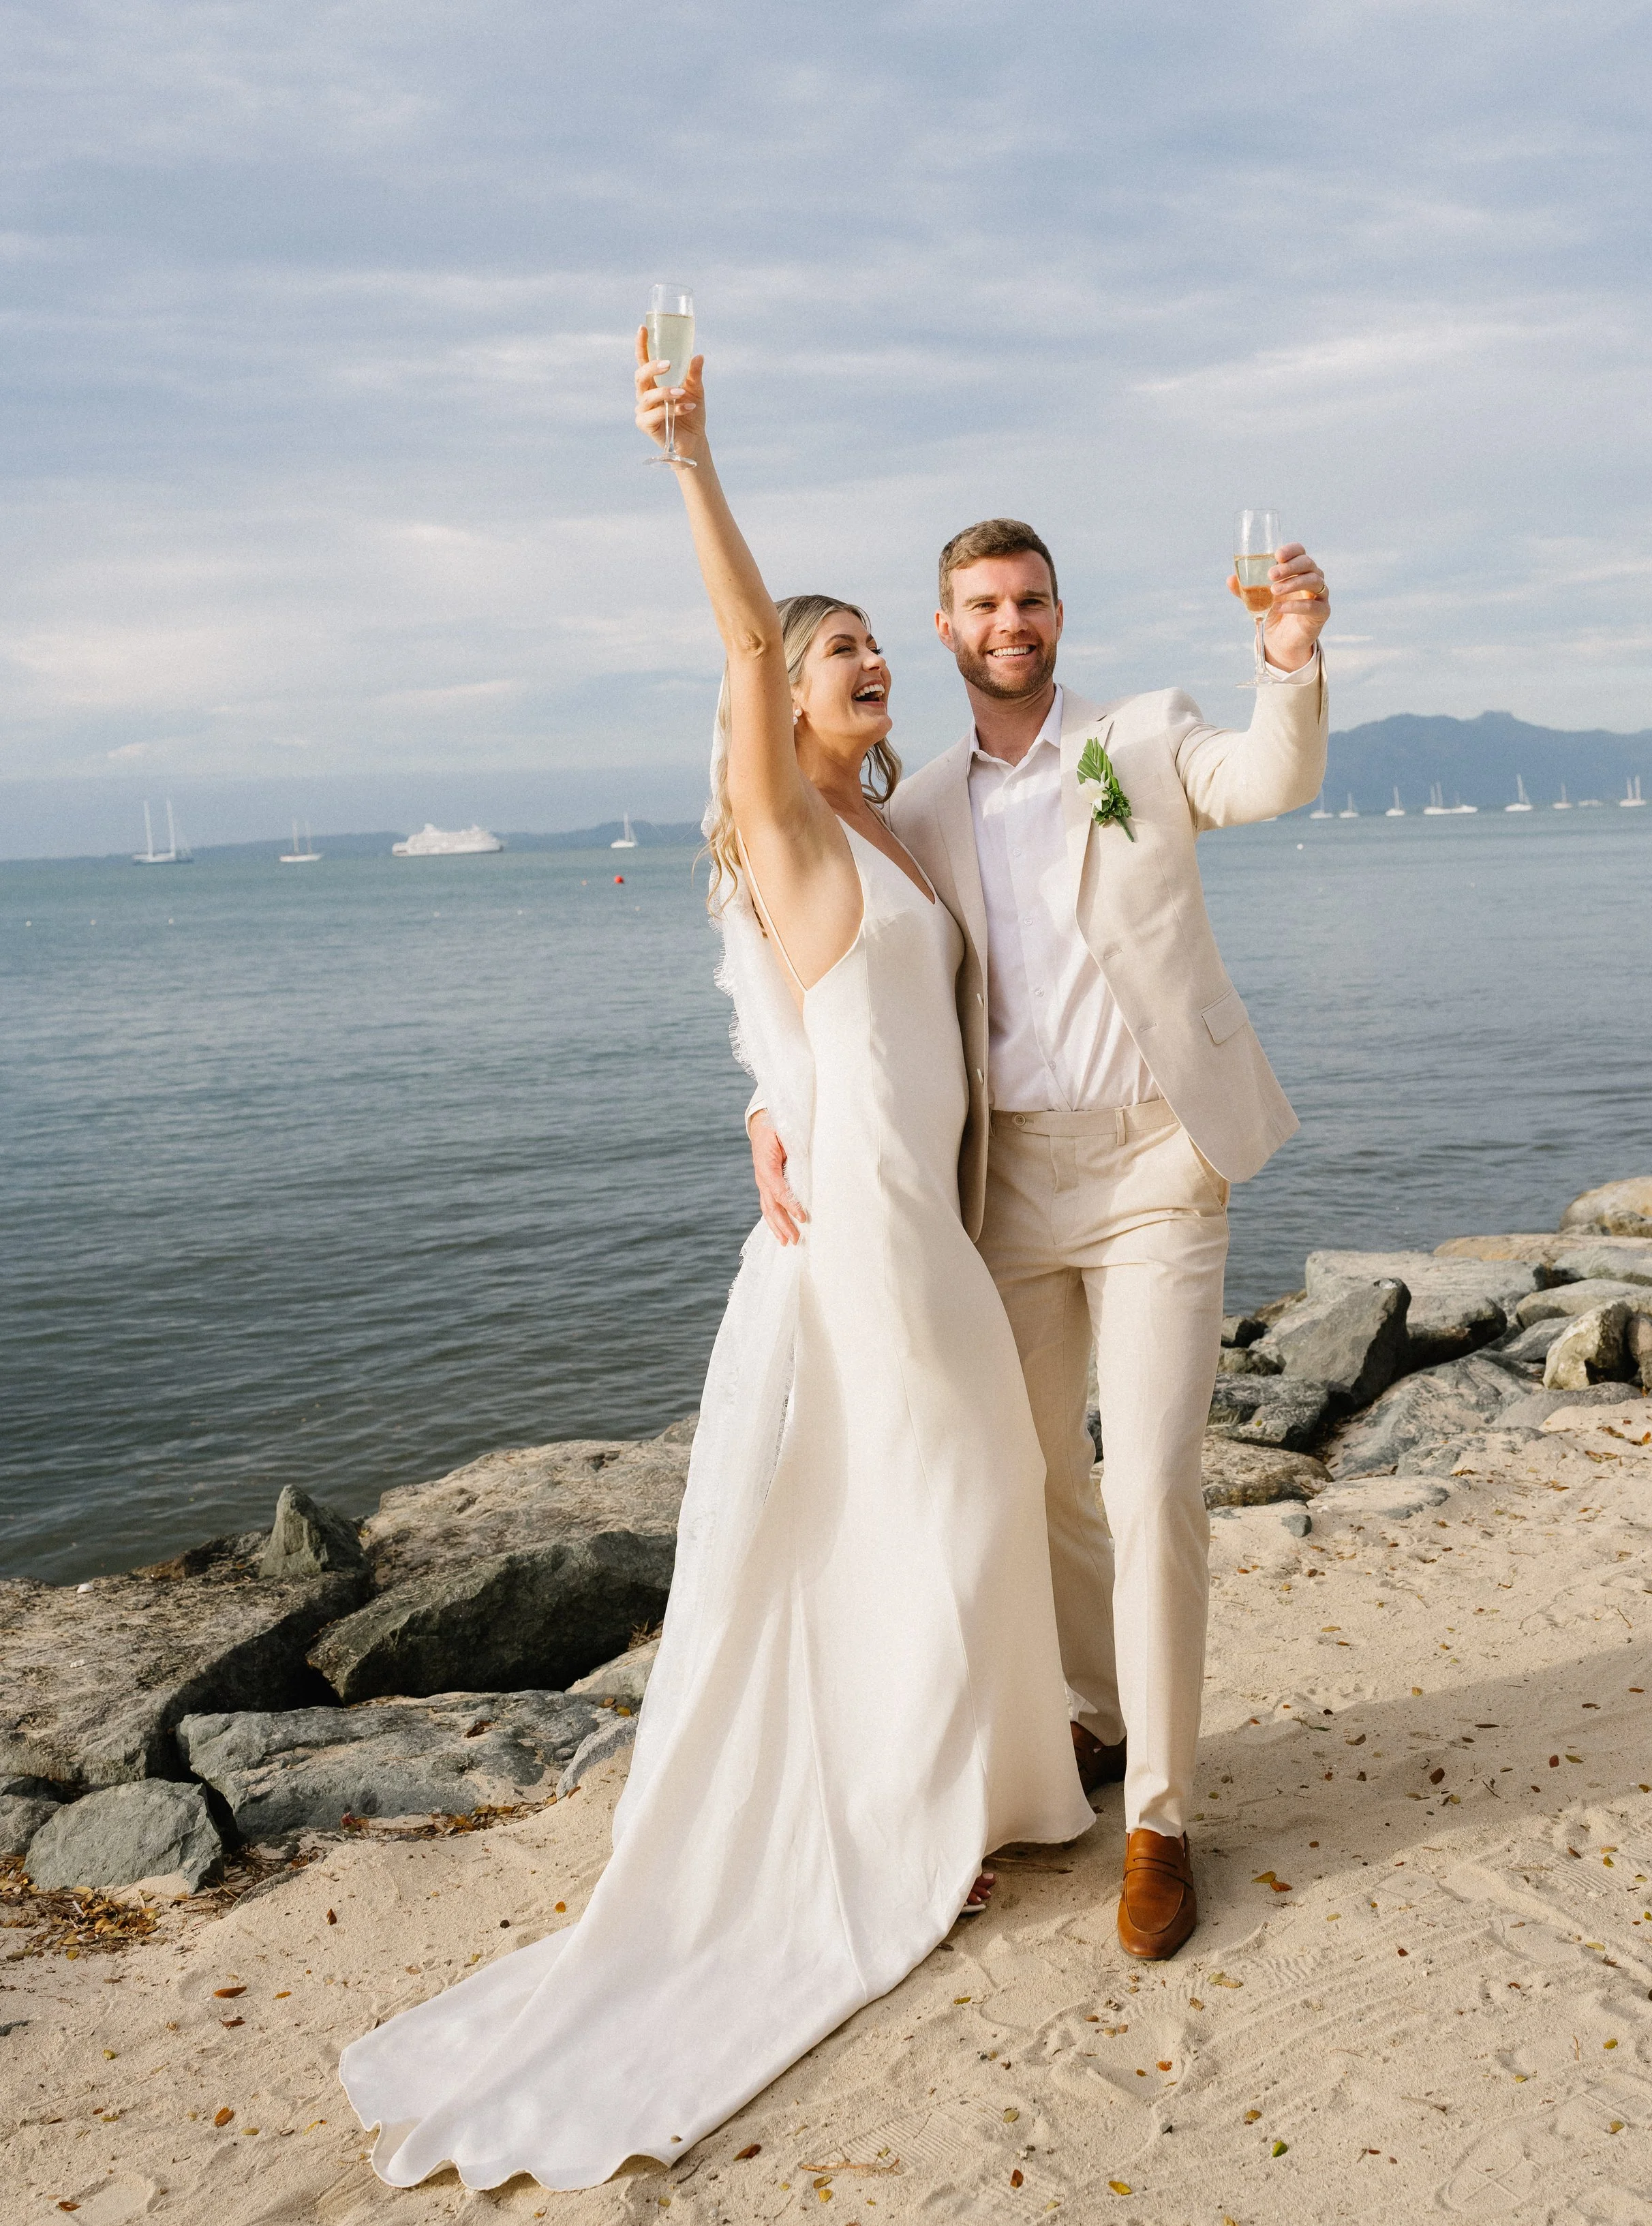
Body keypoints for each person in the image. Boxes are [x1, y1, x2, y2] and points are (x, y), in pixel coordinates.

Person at [336, 342, 1092, 2193]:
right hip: (869, 1232)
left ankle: (977, 1789)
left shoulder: (877, 834)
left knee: (938, 1503)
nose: (868, 670)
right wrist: (693, 465)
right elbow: (744, 655)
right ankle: (923, 1820)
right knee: (960, 1493)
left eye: (870, 658)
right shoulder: (780, 824)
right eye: (851, 652)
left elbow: (836, 1018)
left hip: (911, 1208)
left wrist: (763, 1096)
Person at [750, 515, 1329, 1960]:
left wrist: (1287, 664)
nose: (1008, 621)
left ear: (1056, 616)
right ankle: (1103, 1710)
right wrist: (770, 1101)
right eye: (979, 605)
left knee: (1146, 1485)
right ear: (944, 632)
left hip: (1151, 1163)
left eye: (1028, 599)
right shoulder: (924, 803)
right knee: (1030, 1480)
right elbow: (832, 962)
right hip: (1004, 1187)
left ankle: (1161, 1817)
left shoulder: (1142, 738)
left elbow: (1267, 778)